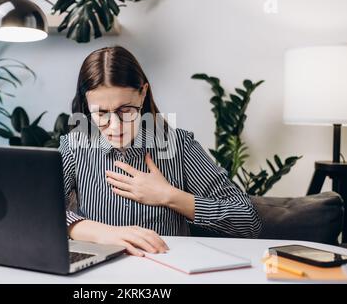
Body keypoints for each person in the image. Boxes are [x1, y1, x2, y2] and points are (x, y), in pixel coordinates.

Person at [58, 46, 262, 257]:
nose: (115, 126)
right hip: (99, 274)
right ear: (86, 104)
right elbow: (38, 214)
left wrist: (169, 195)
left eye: (126, 110)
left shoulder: (180, 145)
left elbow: (248, 221)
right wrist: (104, 233)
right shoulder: (73, 148)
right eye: (100, 113)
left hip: (168, 271)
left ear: (142, 94)